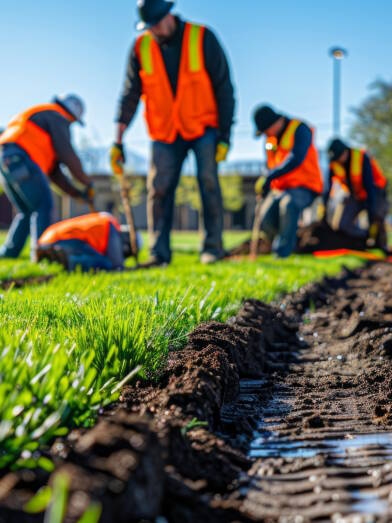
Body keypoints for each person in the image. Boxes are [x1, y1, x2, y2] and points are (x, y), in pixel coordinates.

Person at [111, 0, 235, 265]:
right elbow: (129, 95)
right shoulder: (140, 47)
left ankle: (212, 249)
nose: (153, 31)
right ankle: (159, 253)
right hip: (164, 132)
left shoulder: (202, 38)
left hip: (203, 128)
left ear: (168, 15)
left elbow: (224, 89)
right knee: (159, 190)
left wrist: (225, 136)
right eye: (149, 26)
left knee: (208, 183)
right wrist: (118, 141)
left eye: (156, 24)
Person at [0, 94, 94, 260]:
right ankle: (42, 254)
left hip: (7, 160)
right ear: (72, 115)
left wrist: (76, 193)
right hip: (22, 158)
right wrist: (87, 182)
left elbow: (55, 173)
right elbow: (68, 155)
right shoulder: (57, 116)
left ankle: (8, 253)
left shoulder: (44, 118)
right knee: (43, 206)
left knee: (26, 211)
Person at [253, 105, 323, 258]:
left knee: (288, 205)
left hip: (305, 187)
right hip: (281, 188)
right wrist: (266, 181)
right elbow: (269, 164)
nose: (266, 134)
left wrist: (270, 176)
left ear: (276, 122)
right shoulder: (270, 140)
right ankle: (290, 242)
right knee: (264, 217)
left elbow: (295, 158)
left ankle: (282, 253)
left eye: (266, 130)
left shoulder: (300, 129)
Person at [325, 138, 389, 250]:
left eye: (339, 157)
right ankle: (363, 239)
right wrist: (324, 210)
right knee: (342, 225)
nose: (338, 161)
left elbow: (369, 187)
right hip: (356, 195)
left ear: (345, 152)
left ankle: (381, 245)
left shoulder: (361, 157)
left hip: (375, 193)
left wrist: (371, 212)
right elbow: (328, 188)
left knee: (376, 217)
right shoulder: (334, 163)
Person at [37, 212, 137, 272]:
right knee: (105, 263)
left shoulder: (102, 219)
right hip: (63, 241)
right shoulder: (111, 226)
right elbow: (117, 265)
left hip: (47, 239)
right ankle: (69, 260)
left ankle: (55, 257)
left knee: (92, 254)